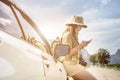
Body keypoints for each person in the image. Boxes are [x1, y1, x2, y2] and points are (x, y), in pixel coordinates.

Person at [61, 16, 97, 80]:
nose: (81, 28)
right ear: (75, 26)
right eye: (80, 26)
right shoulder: (68, 35)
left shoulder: (74, 36)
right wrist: (81, 46)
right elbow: (67, 52)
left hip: (73, 64)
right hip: (69, 64)